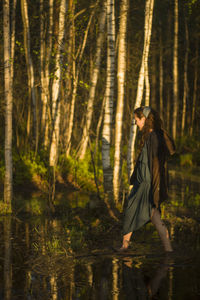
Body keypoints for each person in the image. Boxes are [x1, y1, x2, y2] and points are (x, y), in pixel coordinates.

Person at [119, 106, 175, 252]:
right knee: (155, 218)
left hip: (146, 185)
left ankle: (125, 246)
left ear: (144, 119)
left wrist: (155, 189)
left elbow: (157, 166)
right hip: (142, 183)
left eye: (137, 120)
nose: (136, 123)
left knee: (131, 211)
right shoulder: (148, 136)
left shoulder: (154, 137)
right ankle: (168, 251)